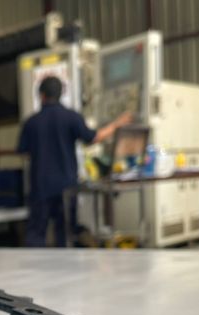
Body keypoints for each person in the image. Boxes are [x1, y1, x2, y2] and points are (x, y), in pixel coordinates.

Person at [17, 76, 132, 247]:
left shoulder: (31, 123)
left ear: (41, 95)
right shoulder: (71, 117)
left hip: (40, 186)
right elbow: (93, 138)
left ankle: (35, 264)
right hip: (66, 186)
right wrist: (116, 125)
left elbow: (23, 152)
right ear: (61, 94)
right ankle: (64, 263)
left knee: (36, 234)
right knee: (65, 234)